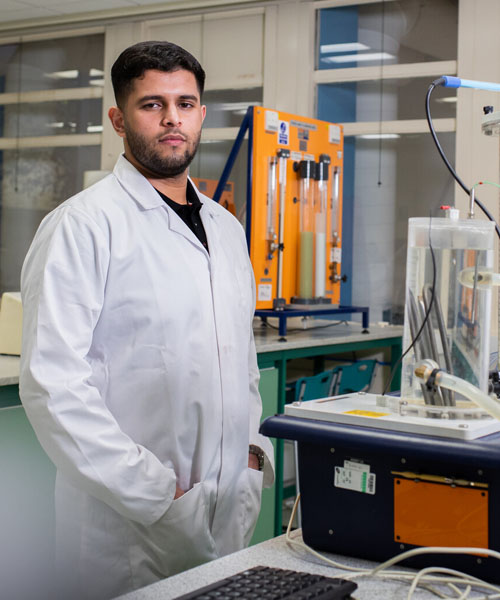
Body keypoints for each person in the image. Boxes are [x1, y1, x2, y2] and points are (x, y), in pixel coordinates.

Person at [19, 40, 274, 600]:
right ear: (118, 118)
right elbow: (53, 387)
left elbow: (240, 358)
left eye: (185, 104)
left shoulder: (226, 229)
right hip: (131, 525)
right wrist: (157, 493)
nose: (172, 120)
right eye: (151, 105)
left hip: (230, 501)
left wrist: (253, 452)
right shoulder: (82, 226)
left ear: (202, 114)